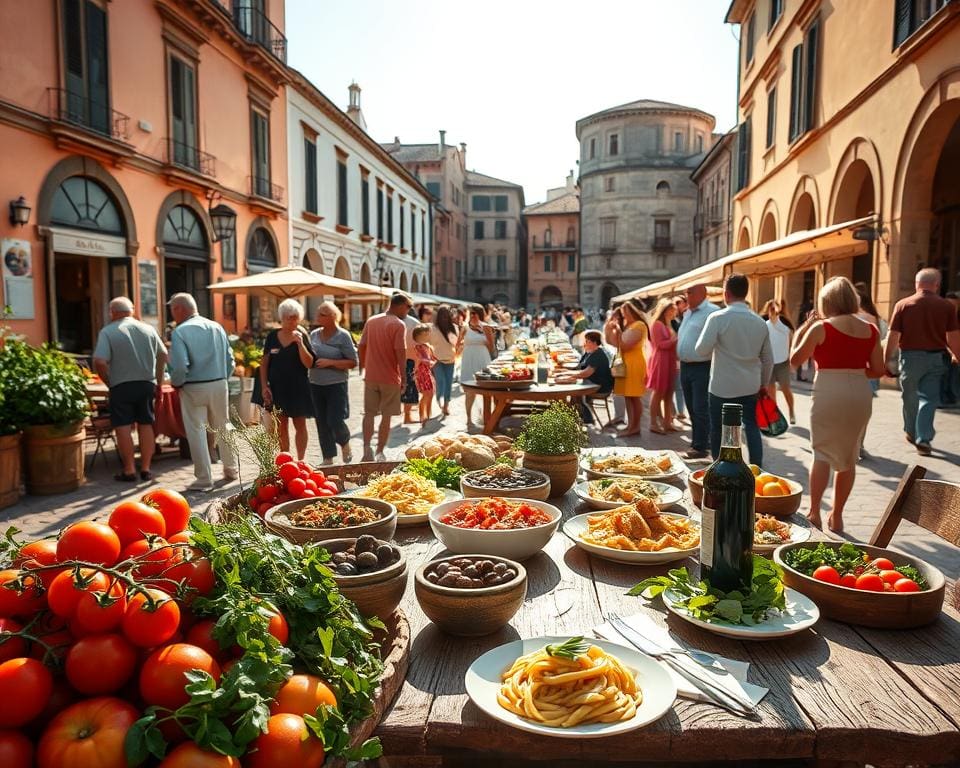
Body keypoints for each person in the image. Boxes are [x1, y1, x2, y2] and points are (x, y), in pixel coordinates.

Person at [790, 277, 884, 532]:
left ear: (826, 301)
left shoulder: (822, 328)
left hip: (829, 389)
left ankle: (815, 512)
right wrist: (854, 372)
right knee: (849, 455)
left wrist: (805, 326)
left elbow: (795, 359)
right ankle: (838, 515)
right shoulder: (871, 330)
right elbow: (878, 370)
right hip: (860, 392)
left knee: (821, 453)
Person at [695, 274, 773, 466]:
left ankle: (720, 467)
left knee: (719, 430)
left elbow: (701, 350)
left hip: (722, 386)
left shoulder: (717, 318)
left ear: (726, 293)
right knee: (752, 427)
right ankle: (756, 468)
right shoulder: (760, 322)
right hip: (750, 386)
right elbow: (768, 359)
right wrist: (764, 384)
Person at [884, 267, 960, 456]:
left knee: (909, 395)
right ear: (937, 285)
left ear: (916, 284)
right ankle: (923, 438)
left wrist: (886, 360)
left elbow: (893, 335)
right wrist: (957, 355)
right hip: (935, 357)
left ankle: (910, 431)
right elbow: (953, 336)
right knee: (929, 398)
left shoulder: (903, 304)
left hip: (910, 358)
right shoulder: (947, 307)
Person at [167, 293, 238, 491]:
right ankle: (231, 469)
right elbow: (230, 361)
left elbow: (180, 366)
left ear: (179, 309)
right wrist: (222, 377)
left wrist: (177, 383)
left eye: (173, 309)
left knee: (196, 430)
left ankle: (204, 478)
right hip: (218, 383)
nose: (172, 314)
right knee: (224, 425)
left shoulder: (180, 331)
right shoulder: (216, 326)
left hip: (193, 385)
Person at [92, 297, 167, 482]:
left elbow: (99, 361)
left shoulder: (108, 331)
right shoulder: (148, 329)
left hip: (121, 384)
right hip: (146, 383)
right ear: (131, 310)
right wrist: (158, 380)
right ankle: (146, 468)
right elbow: (163, 354)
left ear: (112, 312)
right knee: (146, 423)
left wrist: (110, 382)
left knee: (123, 426)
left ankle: (129, 469)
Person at [357, 292, 412, 462]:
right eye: (408, 307)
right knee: (386, 416)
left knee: (369, 414)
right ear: (400, 305)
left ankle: (367, 449)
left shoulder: (372, 320)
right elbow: (400, 353)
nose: (408, 312)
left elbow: (361, 345)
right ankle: (380, 451)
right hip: (390, 377)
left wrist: (362, 367)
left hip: (371, 376)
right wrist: (404, 377)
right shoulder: (398, 324)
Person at [259, 299, 315, 461]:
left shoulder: (302, 334)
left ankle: (301, 460)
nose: (293, 321)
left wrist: (300, 345)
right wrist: (264, 386)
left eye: (295, 317)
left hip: (299, 387)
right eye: (289, 317)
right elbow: (264, 363)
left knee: (300, 425)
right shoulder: (272, 337)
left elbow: (309, 363)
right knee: (281, 427)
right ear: (282, 318)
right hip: (278, 388)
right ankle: (287, 461)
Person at [308, 301, 357, 465]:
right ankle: (328, 458)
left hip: (336, 384)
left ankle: (344, 443)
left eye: (322, 314)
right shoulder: (314, 334)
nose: (317, 316)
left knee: (335, 419)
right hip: (315, 383)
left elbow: (352, 362)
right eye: (318, 313)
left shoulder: (342, 335)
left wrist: (330, 362)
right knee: (321, 422)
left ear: (333, 316)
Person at [676, 283, 719, 459]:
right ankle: (700, 440)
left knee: (699, 406)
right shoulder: (688, 312)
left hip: (702, 366)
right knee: (691, 407)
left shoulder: (712, 312)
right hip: (686, 366)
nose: (687, 296)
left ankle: (700, 447)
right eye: (686, 292)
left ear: (702, 292)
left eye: (690, 292)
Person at [607, 299, 648, 437]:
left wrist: (618, 330)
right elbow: (612, 342)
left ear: (631, 312)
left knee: (634, 397)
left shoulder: (639, 325)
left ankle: (635, 427)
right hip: (626, 363)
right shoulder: (629, 326)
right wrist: (611, 327)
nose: (623, 316)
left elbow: (624, 346)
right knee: (628, 397)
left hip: (634, 364)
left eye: (625, 313)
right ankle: (631, 426)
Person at [555, 330, 614, 424]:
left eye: (587, 341)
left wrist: (566, 375)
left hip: (600, 386)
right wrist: (564, 371)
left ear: (594, 342)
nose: (584, 343)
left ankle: (585, 417)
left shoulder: (598, 354)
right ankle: (574, 415)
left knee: (574, 391)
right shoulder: (589, 352)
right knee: (572, 389)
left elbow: (585, 373)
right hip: (591, 382)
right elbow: (579, 367)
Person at [458, 304, 495, 428]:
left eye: (474, 313)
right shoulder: (464, 327)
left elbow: (492, 347)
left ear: (480, 314)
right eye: (471, 313)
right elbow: (457, 345)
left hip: (482, 358)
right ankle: (468, 419)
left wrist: (482, 335)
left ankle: (487, 418)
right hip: (468, 360)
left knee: (486, 389)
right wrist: (462, 347)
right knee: (469, 391)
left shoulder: (486, 327)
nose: (472, 315)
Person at [646, 298, 679, 434]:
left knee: (669, 393)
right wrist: (674, 339)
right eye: (672, 310)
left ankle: (667, 422)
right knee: (659, 392)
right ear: (665, 310)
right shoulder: (658, 325)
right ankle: (653, 423)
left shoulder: (668, 324)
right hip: (661, 361)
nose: (674, 312)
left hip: (669, 360)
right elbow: (660, 345)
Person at [762, 299, 796, 424]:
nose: (773, 311)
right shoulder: (764, 323)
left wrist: (792, 358)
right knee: (771, 392)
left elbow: (792, 338)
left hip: (783, 362)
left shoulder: (785, 323)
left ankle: (791, 411)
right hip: (769, 362)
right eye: (771, 309)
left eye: (775, 309)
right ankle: (774, 417)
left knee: (786, 388)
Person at [429, 306, 459, 418]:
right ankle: (439, 401)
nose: (445, 318)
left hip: (450, 359)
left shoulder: (453, 328)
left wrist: (449, 331)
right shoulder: (433, 329)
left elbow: (454, 343)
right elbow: (429, 343)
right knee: (441, 382)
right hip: (437, 360)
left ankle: (446, 405)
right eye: (443, 315)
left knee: (448, 383)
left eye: (447, 315)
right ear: (439, 316)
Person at [400, 306, 428, 424]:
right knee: (410, 388)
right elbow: (419, 343)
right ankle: (407, 416)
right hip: (410, 359)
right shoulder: (414, 323)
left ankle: (404, 414)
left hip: (395, 359)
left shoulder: (390, 320)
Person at [413, 324, 437, 423]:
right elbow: (419, 358)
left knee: (430, 394)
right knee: (427, 394)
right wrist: (430, 362)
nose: (428, 336)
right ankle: (423, 416)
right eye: (425, 334)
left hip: (428, 372)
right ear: (418, 336)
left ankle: (427, 415)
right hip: (421, 373)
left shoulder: (427, 346)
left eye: (428, 334)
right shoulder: (417, 347)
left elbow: (433, 357)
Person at [672, 297, 688, 422]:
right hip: (672, 357)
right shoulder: (673, 321)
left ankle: (680, 411)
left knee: (678, 386)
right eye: (683, 304)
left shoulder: (681, 319)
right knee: (672, 386)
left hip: (678, 357)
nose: (685, 306)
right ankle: (673, 411)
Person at [942, 292, 960, 407]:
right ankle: (943, 399)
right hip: (943, 351)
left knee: (954, 375)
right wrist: (951, 352)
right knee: (945, 374)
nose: (952, 308)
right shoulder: (941, 317)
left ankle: (953, 397)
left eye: (955, 305)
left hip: (956, 351)